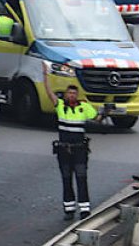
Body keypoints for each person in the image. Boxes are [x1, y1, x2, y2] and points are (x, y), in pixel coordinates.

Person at [43, 65, 107, 221]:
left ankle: (84, 209)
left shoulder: (84, 107)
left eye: (73, 93)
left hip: (79, 150)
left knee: (81, 176)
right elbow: (49, 93)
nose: (71, 96)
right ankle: (69, 209)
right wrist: (45, 76)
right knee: (66, 178)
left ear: (77, 95)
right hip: (64, 149)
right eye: (69, 93)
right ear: (65, 95)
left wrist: (104, 113)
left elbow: (96, 119)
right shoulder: (60, 106)